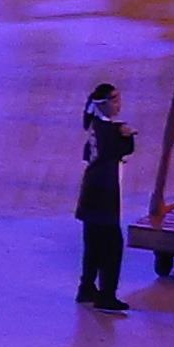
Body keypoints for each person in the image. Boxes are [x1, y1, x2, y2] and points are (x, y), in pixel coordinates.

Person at [74, 80, 134, 313]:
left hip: (91, 193)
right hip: (103, 193)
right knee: (112, 246)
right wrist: (127, 135)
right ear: (104, 103)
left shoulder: (96, 127)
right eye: (115, 99)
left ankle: (87, 288)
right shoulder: (109, 130)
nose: (119, 104)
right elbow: (123, 149)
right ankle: (107, 294)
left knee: (93, 245)